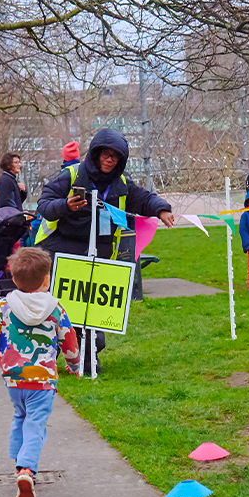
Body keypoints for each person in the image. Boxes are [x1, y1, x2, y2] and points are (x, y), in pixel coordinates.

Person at [35, 128, 174, 373]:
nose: (110, 160)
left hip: (99, 255)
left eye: (115, 156)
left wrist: (161, 209)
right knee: (58, 311)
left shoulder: (122, 183)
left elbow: (143, 199)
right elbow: (44, 204)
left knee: (93, 313)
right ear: (95, 153)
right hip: (62, 252)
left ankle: (88, 359)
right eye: (105, 154)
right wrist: (66, 205)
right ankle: (45, 359)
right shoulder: (71, 175)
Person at [0, 247, 80, 497]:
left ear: (13, 278)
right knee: (36, 424)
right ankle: (27, 469)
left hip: (14, 379)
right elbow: (68, 338)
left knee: (20, 416)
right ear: (46, 279)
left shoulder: (5, 305)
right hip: (42, 380)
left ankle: (18, 463)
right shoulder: (55, 308)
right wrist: (74, 363)